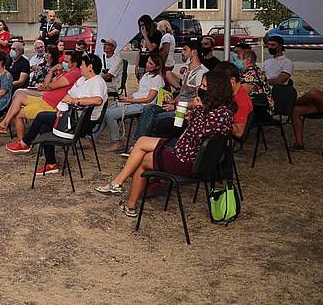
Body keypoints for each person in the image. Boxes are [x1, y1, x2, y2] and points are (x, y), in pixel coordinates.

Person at [94, 70, 235, 218]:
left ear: (216, 90)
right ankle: (118, 184)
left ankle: (129, 203)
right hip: (188, 151)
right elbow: (199, 131)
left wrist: (197, 108)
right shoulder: (222, 111)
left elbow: (197, 133)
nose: (200, 88)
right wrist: (194, 113)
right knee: (142, 142)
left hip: (186, 160)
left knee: (143, 160)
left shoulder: (218, 113)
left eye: (204, 86)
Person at [6, 54, 108, 176]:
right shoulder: (82, 79)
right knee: (44, 128)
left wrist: (75, 101)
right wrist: (60, 108)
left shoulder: (97, 82)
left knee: (41, 116)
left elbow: (98, 100)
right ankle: (51, 165)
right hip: (70, 117)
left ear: (90, 67)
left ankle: (25, 143)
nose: (80, 67)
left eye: (82, 65)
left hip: (82, 123)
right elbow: (68, 95)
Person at [0, 50, 82, 145]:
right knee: (19, 96)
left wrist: (48, 82)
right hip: (44, 99)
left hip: (50, 104)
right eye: (63, 61)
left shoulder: (74, 73)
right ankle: (4, 124)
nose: (63, 63)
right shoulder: (65, 72)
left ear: (74, 63)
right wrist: (51, 71)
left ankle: (21, 143)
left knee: (18, 114)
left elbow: (50, 86)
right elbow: (46, 85)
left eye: (66, 61)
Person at [133, 40, 209, 141]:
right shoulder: (188, 70)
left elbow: (198, 101)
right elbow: (183, 92)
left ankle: (143, 142)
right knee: (149, 108)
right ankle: (140, 141)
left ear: (194, 52)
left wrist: (175, 106)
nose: (182, 52)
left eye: (185, 50)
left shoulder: (202, 73)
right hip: (178, 107)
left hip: (186, 112)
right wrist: (173, 101)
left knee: (155, 118)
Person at [102, 53, 165, 152]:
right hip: (136, 102)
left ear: (157, 67)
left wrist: (129, 100)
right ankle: (92, 138)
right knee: (106, 111)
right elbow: (139, 93)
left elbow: (148, 99)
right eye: (147, 62)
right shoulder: (146, 75)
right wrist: (127, 97)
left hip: (143, 106)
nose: (147, 64)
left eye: (150, 63)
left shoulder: (157, 79)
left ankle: (116, 141)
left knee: (110, 114)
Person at [214, 61, 254, 139]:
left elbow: (239, 132)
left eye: (220, 83)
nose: (218, 86)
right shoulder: (234, 91)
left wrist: (218, 119)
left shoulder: (240, 101)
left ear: (232, 81)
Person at [239, 49, 273, 117]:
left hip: (258, 109)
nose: (239, 61)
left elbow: (243, 90)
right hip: (264, 106)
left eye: (240, 59)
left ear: (248, 60)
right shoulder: (257, 70)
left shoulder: (250, 73)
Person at [136, 14, 162, 80]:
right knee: (142, 83)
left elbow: (151, 48)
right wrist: (136, 65)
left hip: (152, 64)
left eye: (143, 25)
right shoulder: (140, 35)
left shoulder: (156, 34)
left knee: (152, 83)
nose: (142, 27)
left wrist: (145, 36)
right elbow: (139, 51)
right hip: (142, 64)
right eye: (140, 25)